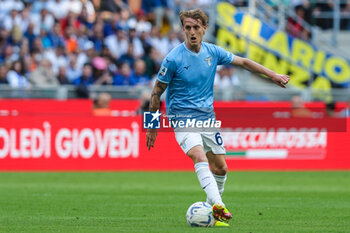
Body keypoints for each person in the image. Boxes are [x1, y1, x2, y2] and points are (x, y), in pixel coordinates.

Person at [146, 9, 290, 227]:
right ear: (183, 29)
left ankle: (213, 212)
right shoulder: (173, 58)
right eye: (188, 28)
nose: (192, 32)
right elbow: (156, 92)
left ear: (205, 28)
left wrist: (273, 75)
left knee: (221, 168)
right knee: (198, 155)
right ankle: (218, 205)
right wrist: (152, 126)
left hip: (206, 117)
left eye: (196, 27)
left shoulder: (212, 52)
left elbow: (242, 62)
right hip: (181, 116)